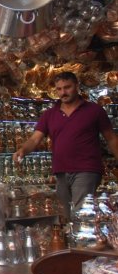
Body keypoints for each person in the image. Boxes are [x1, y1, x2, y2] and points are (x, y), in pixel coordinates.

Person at [13, 71, 118, 220]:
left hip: (86, 169)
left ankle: (83, 242)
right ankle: (75, 241)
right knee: (66, 215)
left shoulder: (94, 111)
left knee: (82, 213)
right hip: (61, 171)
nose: (63, 92)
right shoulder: (50, 114)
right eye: (59, 89)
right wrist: (23, 150)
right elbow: (35, 139)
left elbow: (111, 138)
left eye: (67, 87)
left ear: (76, 86)